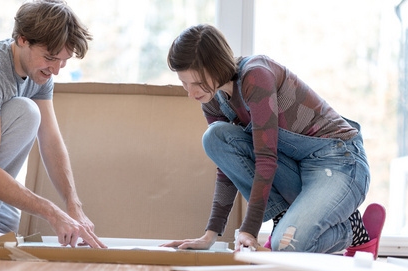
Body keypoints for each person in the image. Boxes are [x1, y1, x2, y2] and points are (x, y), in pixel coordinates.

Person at [162, 24, 385, 257]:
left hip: (339, 162)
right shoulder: (212, 97)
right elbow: (227, 167)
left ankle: (355, 231)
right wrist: (210, 234)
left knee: (286, 246)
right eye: (184, 83)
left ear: (216, 65)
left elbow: (266, 159)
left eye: (196, 83)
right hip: (297, 164)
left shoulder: (255, 75)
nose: (190, 92)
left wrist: (249, 230)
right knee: (215, 137)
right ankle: (286, 220)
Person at [0, 0, 106, 251]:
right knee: (25, 111)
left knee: (10, 228)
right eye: (50, 57)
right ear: (22, 40)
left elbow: (50, 140)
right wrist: (51, 212)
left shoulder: (40, 73)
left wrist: (73, 205)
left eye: (64, 60)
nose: (56, 70)